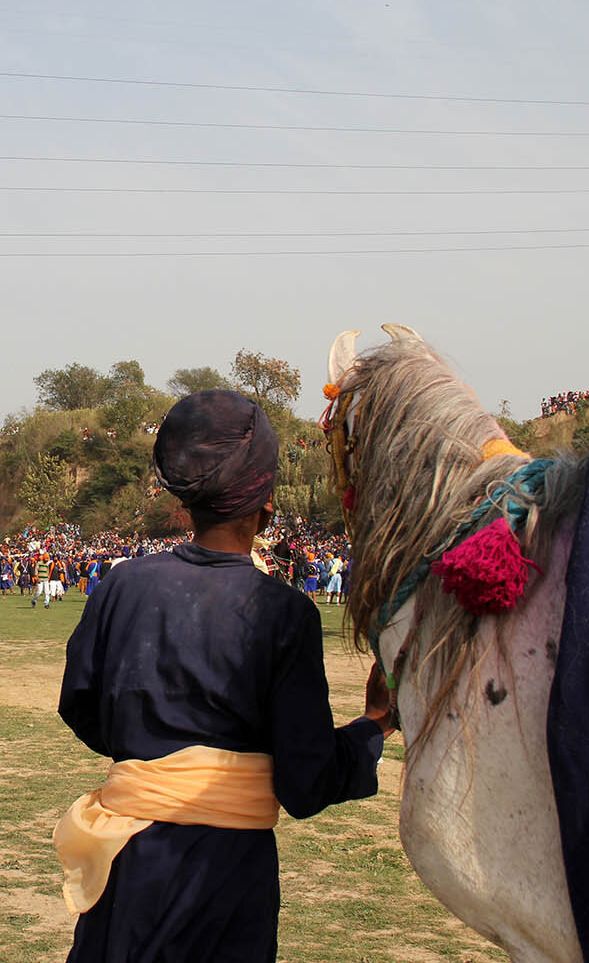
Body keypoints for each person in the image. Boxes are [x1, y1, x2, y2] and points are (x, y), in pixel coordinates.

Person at [54, 390, 392, 962]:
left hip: (128, 862)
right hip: (227, 876)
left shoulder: (121, 586)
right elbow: (305, 784)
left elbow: (80, 704)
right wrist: (377, 725)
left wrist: (155, 762)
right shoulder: (284, 612)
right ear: (266, 505)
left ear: (184, 498)